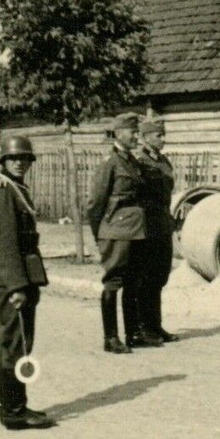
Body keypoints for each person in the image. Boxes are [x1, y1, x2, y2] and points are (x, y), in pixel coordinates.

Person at [0, 135, 53, 430]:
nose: (20, 163)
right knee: (13, 344)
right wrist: (16, 287)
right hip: (10, 280)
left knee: (19, 343)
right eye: (14, 159)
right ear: (3, 161)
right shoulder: (3, 192)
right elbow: (3, 244)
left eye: (25, 159)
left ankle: (17, 406)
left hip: (23, 275)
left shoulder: (16, 188)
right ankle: (13, 411)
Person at [86, 112, 158, 354]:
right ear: (118, 133)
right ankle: (111, 338)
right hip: (116, 231)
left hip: (136, 230)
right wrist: (101, 233)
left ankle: (134, 334)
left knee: (134, 283)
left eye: (138, 132)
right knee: (114, 282)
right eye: (133, 132)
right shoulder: (110, 162)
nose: (137, 136)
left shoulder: (132, 162)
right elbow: (96, 202)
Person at [135, 115, 178, 343]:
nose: (163, 139)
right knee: (146, 278)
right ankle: (143, 328)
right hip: (146, 226)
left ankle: (156, 326)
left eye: (163, 135)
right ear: (144, 137)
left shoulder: (163, 161)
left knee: (160, 277)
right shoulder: (138, 161)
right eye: (158, 135)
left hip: (162, 224)